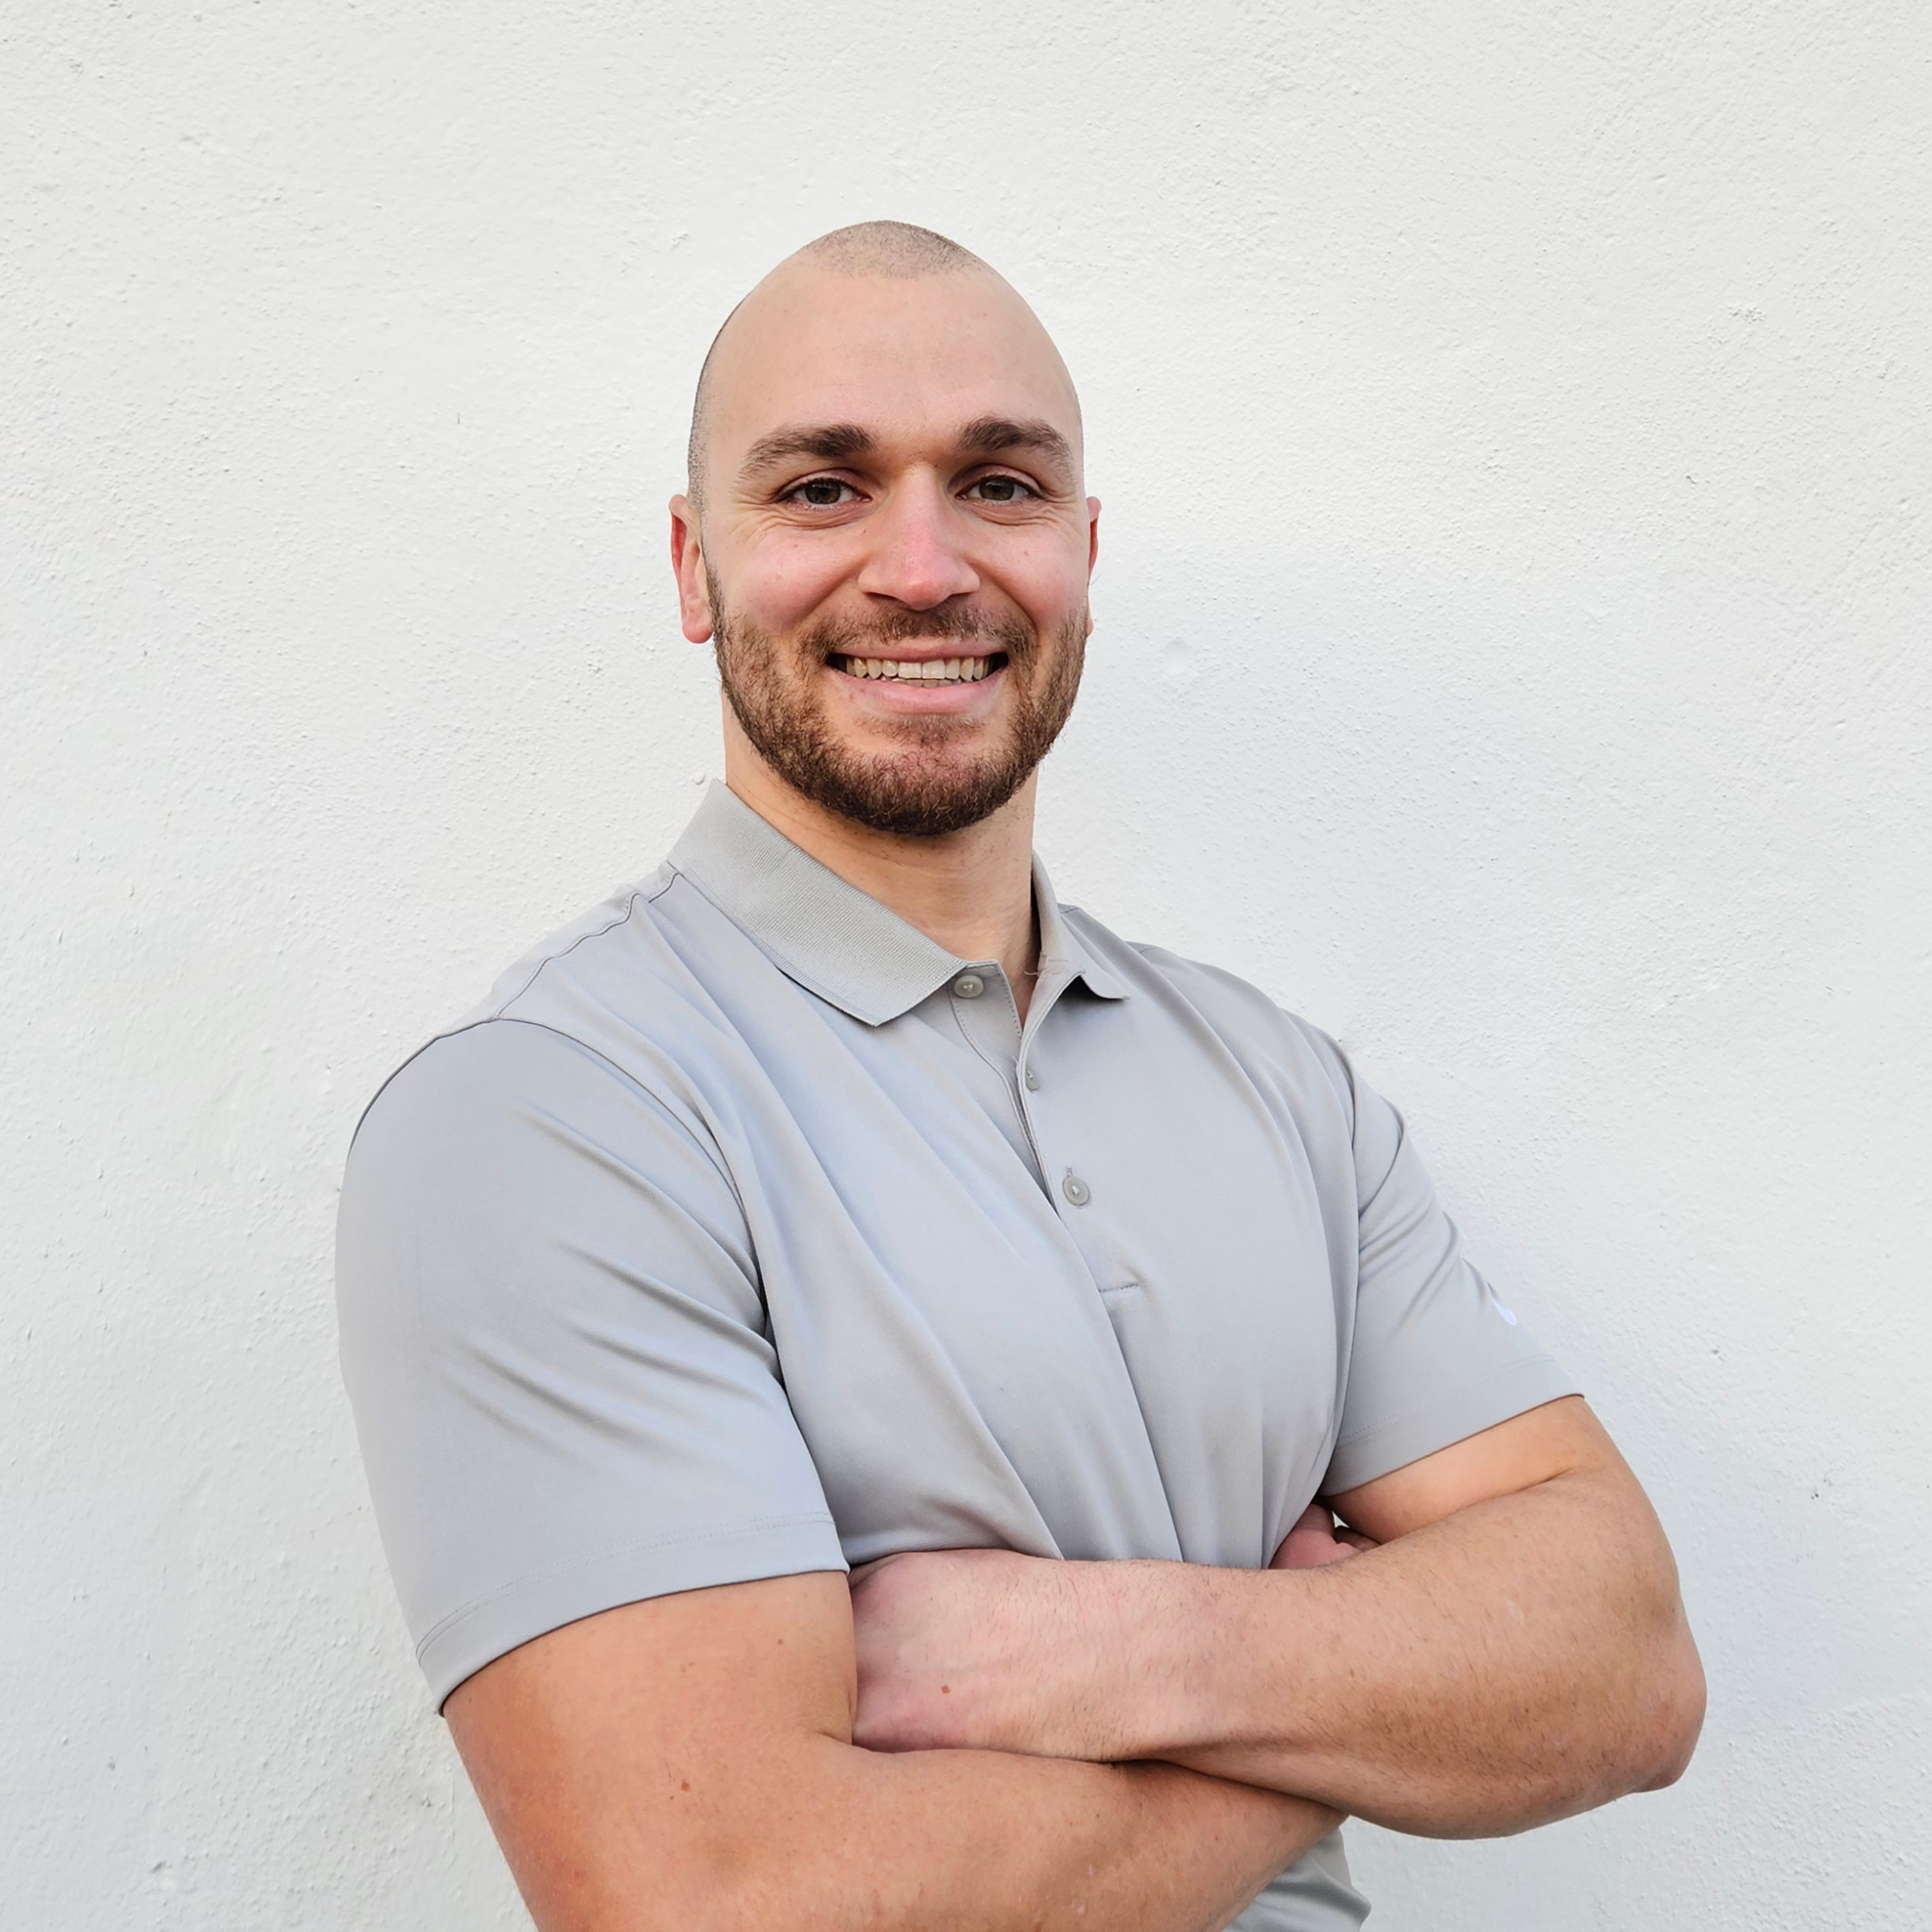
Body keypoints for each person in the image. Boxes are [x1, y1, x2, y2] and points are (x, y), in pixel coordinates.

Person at [335, 219, 1704, 1931]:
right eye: (822, 489)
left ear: (1083, 546)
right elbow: (718, 1901)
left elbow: (1629, 1663)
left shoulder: (1276, 1085)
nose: (922, 567)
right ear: (691, 567)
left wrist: (1096, 1649)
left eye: (997, 484)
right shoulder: (550, 1121)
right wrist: (1349, 1696)